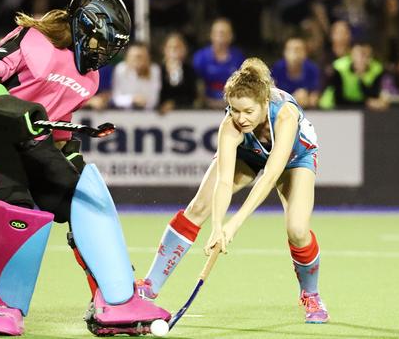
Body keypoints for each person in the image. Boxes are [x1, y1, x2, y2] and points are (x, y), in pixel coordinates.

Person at [0, 0, 169, 336]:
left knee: (87, 200)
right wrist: (5, 107)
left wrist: (73, 160)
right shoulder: (34, 41)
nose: (106, 53)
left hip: (31, 142)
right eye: (103, 42)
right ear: (84, 27)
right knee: (17, 203)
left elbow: (57, 130)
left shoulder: (90, 80)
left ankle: (114, 300)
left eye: (113, 47)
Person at [137, 58, 329, 324]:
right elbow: (224, 181)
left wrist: (233, 225)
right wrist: (217, 226)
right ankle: (149, 286)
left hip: (295, 159)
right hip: (249, 154)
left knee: (297, 229)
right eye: (234, 110)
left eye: (248, 111)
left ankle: (311, 294)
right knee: (198, 207)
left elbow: (270, 176)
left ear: (264, 103)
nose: (241, 118)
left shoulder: (285, 115)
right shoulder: (231, 125)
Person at [193, 18, 245, 109]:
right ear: (211, 35)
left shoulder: (239, 58)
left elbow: (244, 86)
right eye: (217, 33)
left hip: (232, 107)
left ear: (231, 36)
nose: (220, 36)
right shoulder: (200, 57)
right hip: (205, 107)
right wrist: (204, 100)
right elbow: (196, 84)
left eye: (224, 33)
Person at [320, 41, 388, 111]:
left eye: (365, 55)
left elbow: (373, 97)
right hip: (332, 109)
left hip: (360, 110)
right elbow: (339, 100)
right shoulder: (339, 68)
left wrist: (361, 77)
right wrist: (365, 103)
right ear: (351, 55)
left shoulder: (376, 69)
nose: (361, 59)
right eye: (358, 55)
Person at [271, 37, 321, 109]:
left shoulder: (312, 69)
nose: (294, 54)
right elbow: (272, 96)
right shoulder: (278, 68)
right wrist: (293, 100)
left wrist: (306, 99)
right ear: (284, 53)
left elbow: (314, 98)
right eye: (290, 50)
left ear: (305, 53)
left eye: (297, 50)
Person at [111, 41, 161, 110]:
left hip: (148, 114)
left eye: (140, 57)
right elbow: (116, 98)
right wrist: (132, 99)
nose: (137, 61)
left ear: (148, 58)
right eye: (134, 57)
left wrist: (144, 101)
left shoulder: (154, 70)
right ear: (127, 57)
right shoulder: (120, 69)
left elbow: (154, 100)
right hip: (124, 113)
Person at [158, 32, 198, 114]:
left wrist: (174, 103)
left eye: (178, 47)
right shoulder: (158, 70)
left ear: (184, 50)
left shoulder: (189, 70)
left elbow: (192, 95)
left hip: (184, 113)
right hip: (159, 114)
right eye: (170, 47)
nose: (174, 50)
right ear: (164, 50)